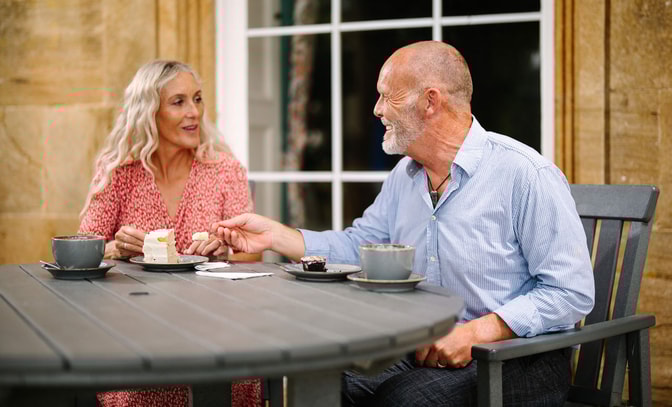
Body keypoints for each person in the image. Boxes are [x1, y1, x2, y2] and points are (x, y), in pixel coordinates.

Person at [211, 41, 595, 406]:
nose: (377, 109)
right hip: (426, 348)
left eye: (386, 95)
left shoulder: (525, 175)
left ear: (431, 101)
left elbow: (570, 292)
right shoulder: (405, 177)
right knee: (324, 381)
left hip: (518, 358)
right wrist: (276, 236)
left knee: (404, 400)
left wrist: (477, 332)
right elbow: (359, 247)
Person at [79, 60, 261, 407]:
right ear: (150, 111)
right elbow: (84, 249)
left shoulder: (225, 170)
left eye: (197, 99)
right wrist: (115, 248)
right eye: (178, 102)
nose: (193, 112)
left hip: (215, 329)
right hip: (136, 328)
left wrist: (225, 249)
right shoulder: (119, 173)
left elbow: (253, 254)